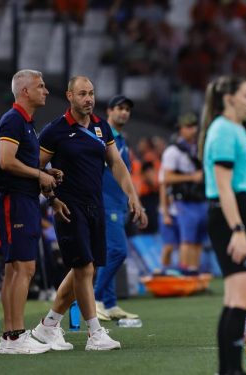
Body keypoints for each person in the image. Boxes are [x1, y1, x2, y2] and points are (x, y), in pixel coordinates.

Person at [33, 76, 147, 351]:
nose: (89, 99)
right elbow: (35, 169)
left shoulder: (100, 126)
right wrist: (52, 198)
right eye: (83, 94)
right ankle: (94, 333)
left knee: (87, 268)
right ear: (69, 96)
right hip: (69, 207)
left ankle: (48, 325)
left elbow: (116, 164)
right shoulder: (54, 131)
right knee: (83, 268)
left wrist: (133, 196)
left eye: (92, 93)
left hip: (96, 205)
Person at [199, 75, 246, 374]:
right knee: (240, 295)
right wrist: (237, 229)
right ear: (229, 99)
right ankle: (230, 370)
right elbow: (224, 187)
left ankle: (232, 369)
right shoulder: (224, 130)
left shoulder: (235, 129)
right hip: (229, 213)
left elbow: (242, 183)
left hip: (240, 209)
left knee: (236, 296)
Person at [0, 70, 55, 354]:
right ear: (24, 91)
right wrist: (39, 175)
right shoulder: (13, 120)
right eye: (40, 86)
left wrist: (44, 173)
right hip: (15, 200)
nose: (45, 91)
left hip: (24, 199)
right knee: (24, 268)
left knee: (13, 270)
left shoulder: (27, 123)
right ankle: (16, 336)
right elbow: (6, 161)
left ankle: (9, 337)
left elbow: (19, 161)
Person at [94, 95, 140, 322]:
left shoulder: (122, 140)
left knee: (108, 252)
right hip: (105, 202)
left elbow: (126, 175)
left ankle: (109, 304)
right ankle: (94, 298)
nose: (124, 113)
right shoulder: (101, 136)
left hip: (119, 203)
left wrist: (133, 200)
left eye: (127, 110)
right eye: (119, 108)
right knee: (117, 251)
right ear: (109, 111)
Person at [161, 111, 208, 274]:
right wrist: (191, 177)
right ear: (180, 129)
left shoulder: (199, 149)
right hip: (184, 201)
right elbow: (167, 178)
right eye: (188, 127)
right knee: (187, 239)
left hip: (200, 199)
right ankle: (185, 272)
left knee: (198, 240)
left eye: (194, 126)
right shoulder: (173, 151)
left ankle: (194, 272)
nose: (192, 130)